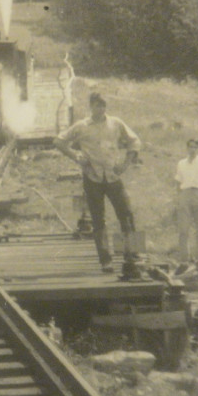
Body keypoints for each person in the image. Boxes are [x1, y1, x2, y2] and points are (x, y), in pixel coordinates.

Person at [54, 92, 142, 279]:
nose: (100, 109)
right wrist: (75, 156)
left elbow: (135, 141)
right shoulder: (82, 126)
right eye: (96, 105)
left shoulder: (116, 123)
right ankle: (106, 261)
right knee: (98, 220)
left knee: (126, 214)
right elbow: (59, 141)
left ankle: (131, 255)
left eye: (103, 105)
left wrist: (125, 164)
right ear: (90, 107)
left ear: (106, 107)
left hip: (113, 176)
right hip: (92, 177)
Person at [174, 138, 198, 271]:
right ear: (187, 148)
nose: (192, 150)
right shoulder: (181, 163)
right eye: (190, 147)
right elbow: (178, 181)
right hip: (185, 194)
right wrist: (179, 197)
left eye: (195, 147)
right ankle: (184, 261)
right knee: (183, 230)